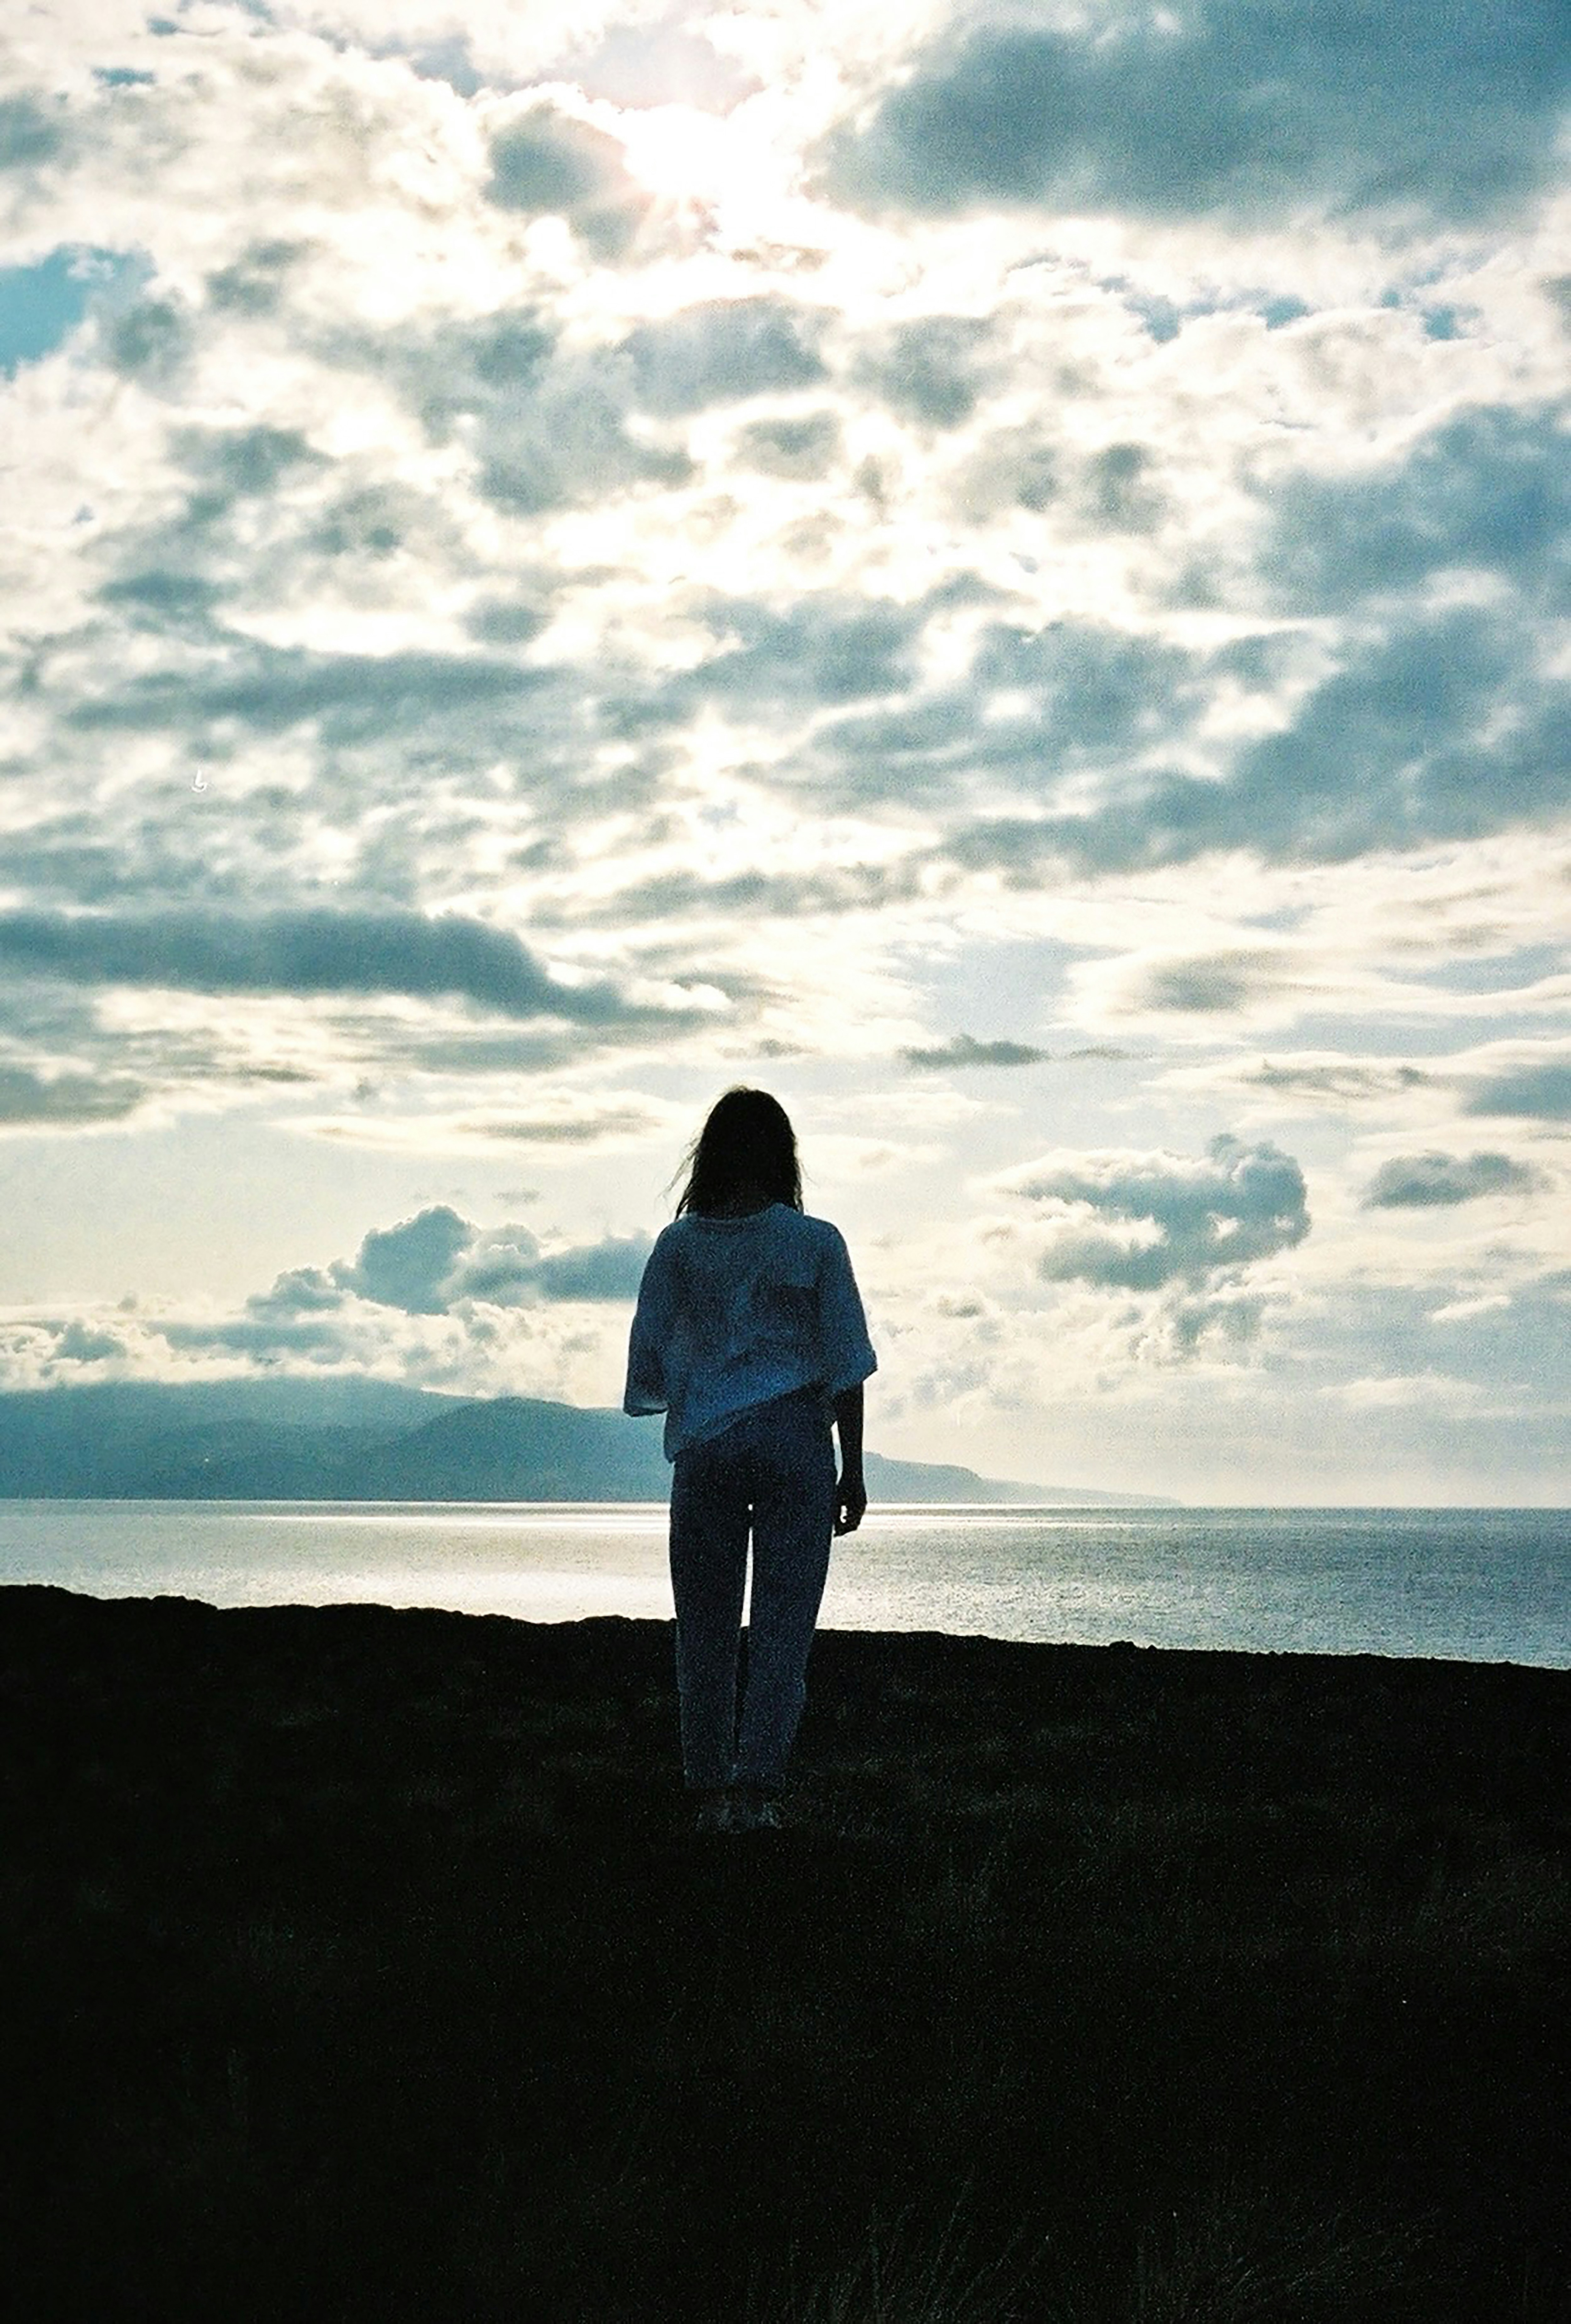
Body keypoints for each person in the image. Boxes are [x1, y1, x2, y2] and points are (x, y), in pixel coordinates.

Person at [623, 1088, 877, 1834]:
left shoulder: (679, 1246)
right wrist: (851, 1468)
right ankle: (759, 1791)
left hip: (707, 1449)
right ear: (782, 1156)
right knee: (782, 1625)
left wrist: (704, 1389)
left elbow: (649, 1354)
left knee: (702, 1626)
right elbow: (846, 1362)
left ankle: (707, 1796)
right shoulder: (816, 1242)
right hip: (795, 1442)